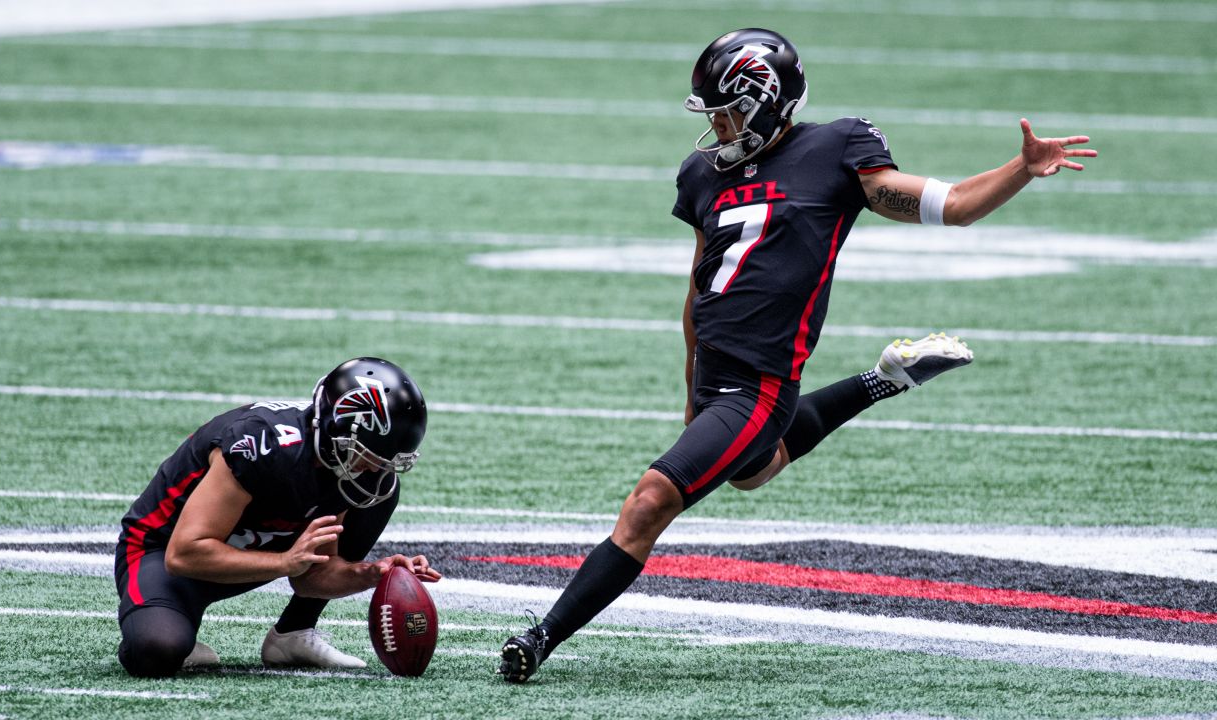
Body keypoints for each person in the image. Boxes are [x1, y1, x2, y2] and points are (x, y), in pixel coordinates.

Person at [498, 27, 1096, 682]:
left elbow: (949, 206)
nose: (717, 125)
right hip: (716, 376)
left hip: (761, 383)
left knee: (649, 503)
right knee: (751, 470)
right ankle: (882, 380)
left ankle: (540, 637)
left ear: (764, 100)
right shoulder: (702, 174)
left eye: (725, 109)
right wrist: (691, 390)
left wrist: (1021, 168)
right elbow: (697, 293)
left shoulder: (835, 150)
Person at [115, 356, 441, 678]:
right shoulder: (260, 446)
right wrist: (285, 561)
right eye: (369, 457)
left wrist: (376, 573)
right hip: (159, 550)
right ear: (335, 430)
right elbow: (184, 552)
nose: (374, 469)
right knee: (157, 648)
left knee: (377, 497)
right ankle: (163, 621)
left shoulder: (345, 465)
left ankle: (293, 633)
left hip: (251, 548)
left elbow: (311, 576)